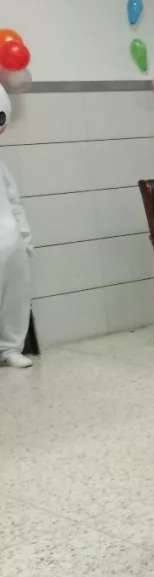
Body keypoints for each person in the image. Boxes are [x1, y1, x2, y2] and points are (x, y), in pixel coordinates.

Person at [0, 80, 33, 368]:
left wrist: (24, 236)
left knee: (16, 296)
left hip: (10, 240)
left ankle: (11, 347)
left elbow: (13, 199)